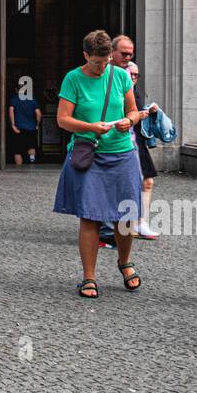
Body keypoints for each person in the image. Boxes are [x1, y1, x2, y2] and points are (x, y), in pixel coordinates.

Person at [53, 29, 146, 299]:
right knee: (90, 216)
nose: (102, 67)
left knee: (126, 214)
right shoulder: (73, 79)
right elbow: (63, 119)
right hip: (89, 154)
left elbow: (132, 110)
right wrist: (91, 127)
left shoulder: (119, 75)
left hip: (121, 152)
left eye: (106, 62)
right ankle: (89, 276)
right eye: (97, 62)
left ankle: (124, 262)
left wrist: (130, 120)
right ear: (85, 55)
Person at [123, 61, 160, 240]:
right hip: (125, 141)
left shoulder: (135, 91)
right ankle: (127, 223)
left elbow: (134, 112)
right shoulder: (119, 89)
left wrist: (146, 112)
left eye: (137, 75)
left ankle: (140, 222)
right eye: (131, 74)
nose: (134, 78)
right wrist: (139, 115)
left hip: (138, 141)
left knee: (147, 182)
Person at [7, 81, 42, 166]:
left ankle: (18, 168)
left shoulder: (14, 99)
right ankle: (32, 163)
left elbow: (11, 111)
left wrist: (13, 125)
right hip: (31, 128)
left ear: (16, 90)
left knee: (17, 150)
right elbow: (38, 114)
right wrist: (37, 125)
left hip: (18, 128)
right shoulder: (33, 99)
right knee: (31, 147)